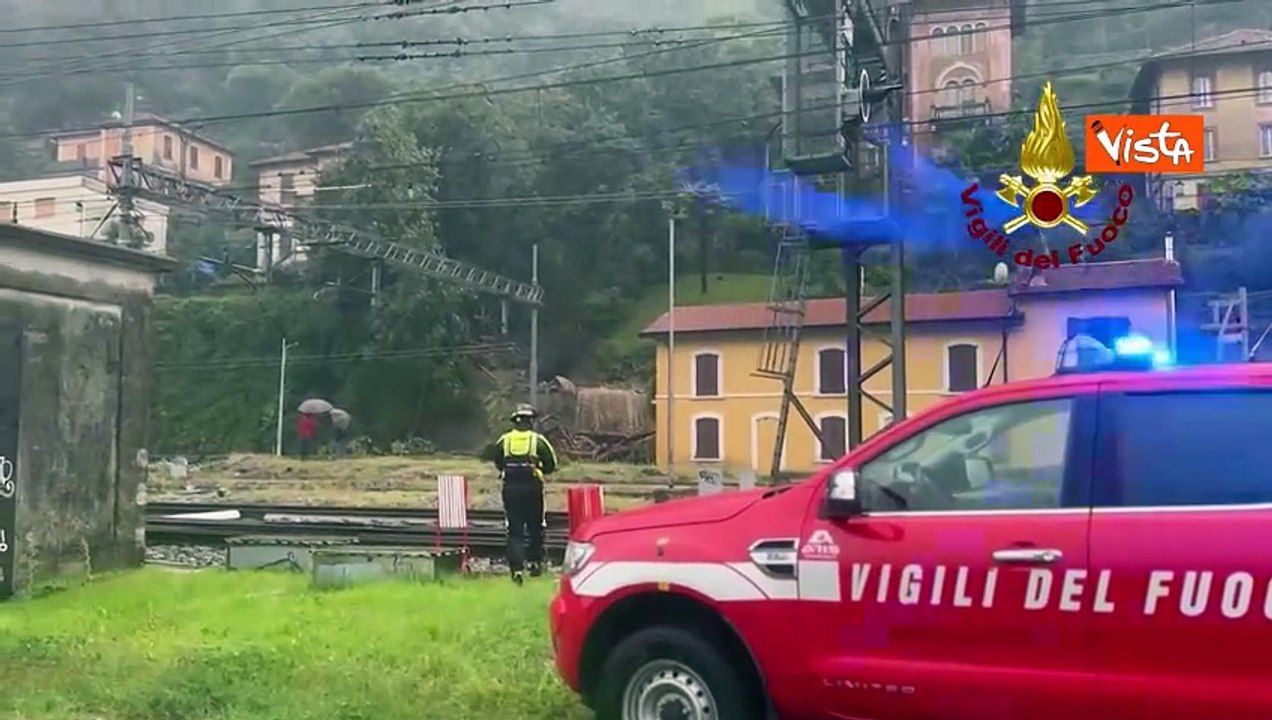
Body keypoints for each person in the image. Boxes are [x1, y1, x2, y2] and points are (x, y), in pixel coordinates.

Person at [491, 403, 558, 585]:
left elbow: (497, 462)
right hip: (532, 488)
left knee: (515, 529)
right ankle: (535, 563)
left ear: (514, 422)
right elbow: (551, 464)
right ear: (531, 422)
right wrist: (539, 468)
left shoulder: (504, 440)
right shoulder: (538, 441)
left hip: (511, 488)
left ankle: (517, 569)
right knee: (535, 525)